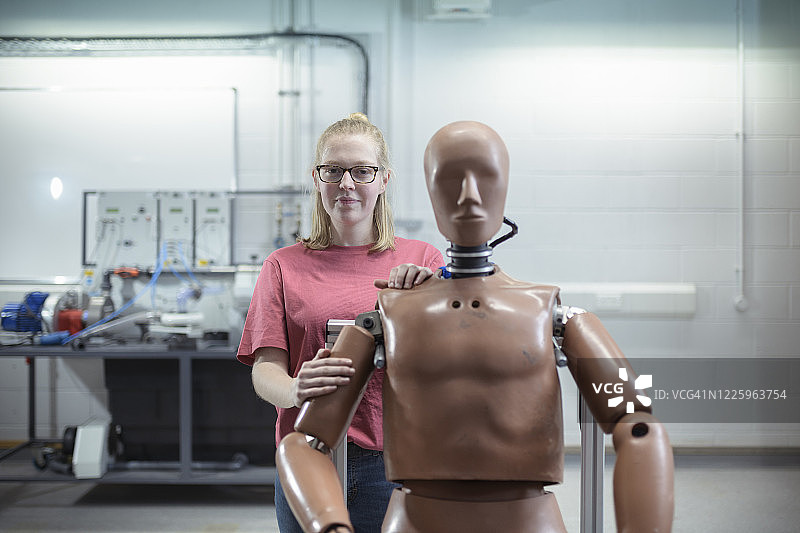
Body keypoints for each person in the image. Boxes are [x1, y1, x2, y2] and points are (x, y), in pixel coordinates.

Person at [276, 121, 674, 533]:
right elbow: (305, 443)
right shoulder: (390, 311)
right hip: (415, 519)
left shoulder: (548, 312)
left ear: (504, 186)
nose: (468, 196)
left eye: (484, 177)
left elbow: (639, 425)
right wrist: (331, 526)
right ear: (431, 193)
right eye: (450, 180)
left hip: (527, 520)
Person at [237, 113, 444, 533]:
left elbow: (449, 364)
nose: (346, 184)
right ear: (317, 178)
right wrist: (295, 389)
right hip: (307, 456)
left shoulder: (423, 261)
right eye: (333, 170)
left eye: (362, 171)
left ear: (383, 179)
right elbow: (265, 370)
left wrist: (429, 299)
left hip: (394, 465)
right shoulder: (282, 266)